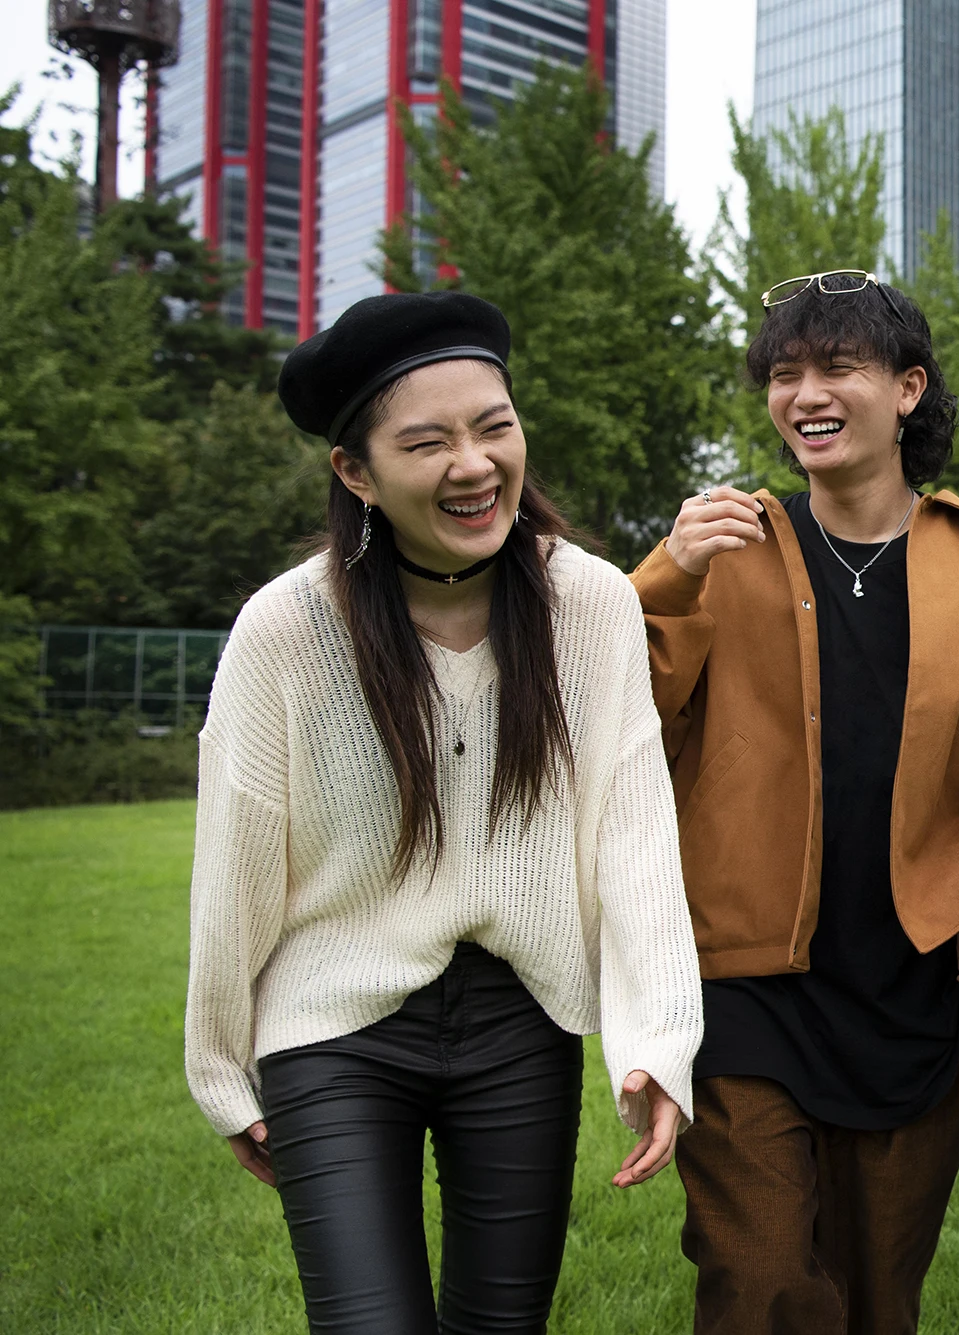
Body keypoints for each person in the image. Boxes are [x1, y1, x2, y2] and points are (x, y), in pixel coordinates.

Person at [184, 290, 703, 1333]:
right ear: (355, 473)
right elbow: (235, 857)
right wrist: (220, 1065)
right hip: (332, 1030)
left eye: (493, 427)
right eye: (428, 442)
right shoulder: (287, 628)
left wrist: (658, 1041)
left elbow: (634, 830)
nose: (473, 464)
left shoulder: (588, 602)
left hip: (522, 1020)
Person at [629, 270, 959, 1334]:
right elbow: (611, 714)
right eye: (782, 372)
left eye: (835, 367)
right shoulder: (713, 551)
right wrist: (665, 575)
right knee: (761, 1280)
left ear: (906, 389)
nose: (802, 391)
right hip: (747, 981)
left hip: (913, 980)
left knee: (876, 1298)